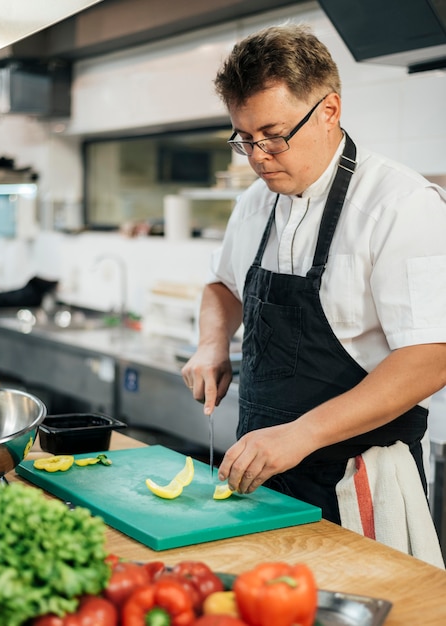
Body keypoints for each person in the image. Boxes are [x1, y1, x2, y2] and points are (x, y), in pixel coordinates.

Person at [181, 23, 446, 564]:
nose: (257, 156)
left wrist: (301, 435)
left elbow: (431, 356)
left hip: (356, 480)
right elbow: (222, 285)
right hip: (262, 471)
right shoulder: (256, 202)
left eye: (273, 134)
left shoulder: (400, 205)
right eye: (243, 138)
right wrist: (211, 344)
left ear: (329, 110)